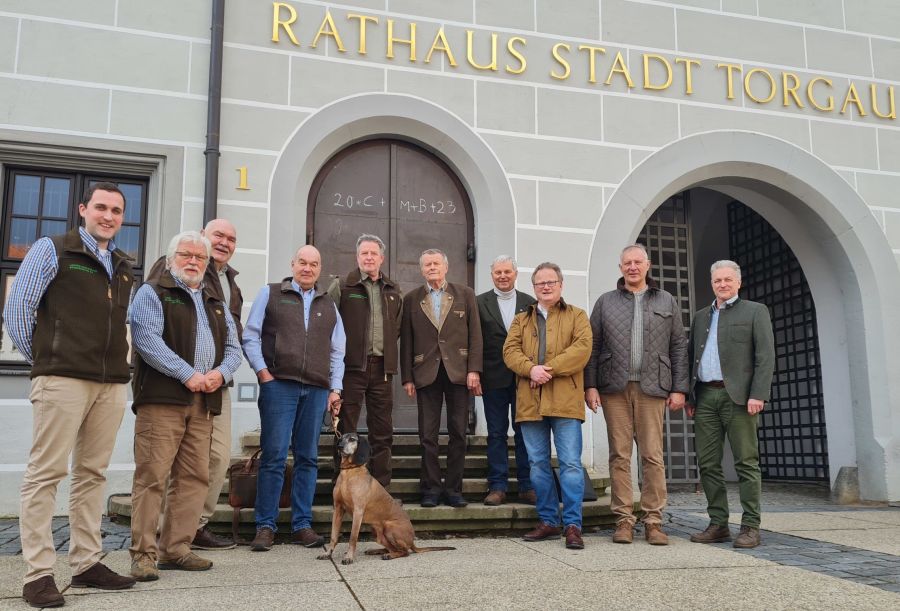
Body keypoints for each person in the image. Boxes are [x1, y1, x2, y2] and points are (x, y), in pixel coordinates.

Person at [5, 183, 137, 607]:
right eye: (101, 207)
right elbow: (18, 310)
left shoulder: (121, 263)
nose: (108, 216)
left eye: (116, 210)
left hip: (110, 383)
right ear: (83, 209)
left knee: (92, 474)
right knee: (46, 474)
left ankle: (86, 563)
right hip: (62, 379)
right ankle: (38, 573)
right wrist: (46, 357)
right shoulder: (53, 249)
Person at [128, 231, 243, 581]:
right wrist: (187, 373)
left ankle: (176, 549)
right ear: (170, 257)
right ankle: (143, 555)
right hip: (163, 399)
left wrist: (220, 375)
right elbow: (146, 339)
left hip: (204, 401)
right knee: (152, 477)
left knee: (194, 477)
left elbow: (234, 350)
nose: (193, 261)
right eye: (186, 254)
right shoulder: (153, 291)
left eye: (200, 257)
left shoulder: (214, 300)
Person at [584, 244, 689, 546]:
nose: (632, 267)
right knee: (619, 455)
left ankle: (653, 521)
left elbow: (679, 346)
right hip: (613, 388)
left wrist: (679, 388)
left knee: (652, 456)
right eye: (627, 263)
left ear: (648, 265)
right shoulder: (606, 302)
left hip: (653, 387)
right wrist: (590, 386)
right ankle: (623, 520)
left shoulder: (666, 300)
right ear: (621, 268)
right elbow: (593, 345)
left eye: (637, 262)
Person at [242, 245, 345, 551]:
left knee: (308, 458)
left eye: (314, 264)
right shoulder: (271, 293)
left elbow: (338, 350)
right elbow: (251, 335)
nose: (308, 268)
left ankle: (302, 524)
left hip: (315, 390)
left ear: (319, 268)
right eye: (303, 262)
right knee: (273, 456)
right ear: (293, 263)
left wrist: (335, 388)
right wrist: (263, 373)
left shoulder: (329, 305)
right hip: (279, 386)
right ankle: (265, 525)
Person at [502, 262, 592, 549]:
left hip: (566, 401)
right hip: (531, 403)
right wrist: (530, 369)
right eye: (540, 282)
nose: (546, 286)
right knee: (538, 465)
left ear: (561, 284)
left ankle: (573, 525)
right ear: (534, 287)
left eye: (551, 281)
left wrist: (547, 370)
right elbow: (510, 351)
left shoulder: (577, 316)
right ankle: (549, 521)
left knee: (570, 464)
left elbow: (581, 350)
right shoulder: (521, 320)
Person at [687, 260, 775, 549]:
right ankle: (718, 524)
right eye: (717, 281)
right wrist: (690, 396)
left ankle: (750, 526)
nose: (722, 285)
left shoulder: (755, 311)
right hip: (706, 396)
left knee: (746, 463)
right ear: (711, 283)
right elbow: (691, 358)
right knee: (708, 463)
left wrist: (758, 394)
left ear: (738, 282)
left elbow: (765, 356)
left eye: (727, 280)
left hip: (738, 397)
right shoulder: (701, 317)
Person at [400, 249, 482, 508]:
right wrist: (407, 377)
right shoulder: (412, 298)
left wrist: (474, 370)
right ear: (422, 269)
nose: (432, 267)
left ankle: (454, 489)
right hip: (426, 372)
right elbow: (406, 341)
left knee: (459, 432)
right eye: (427, 264)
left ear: (445, 267)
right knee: (428, 434)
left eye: (436, 263)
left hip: (459, 371)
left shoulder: (465, 294)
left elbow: (475, 334)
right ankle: (431, 489)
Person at [327, 234, 402, 488]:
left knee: (383, 431)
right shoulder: (343, 286)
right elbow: (328, 324)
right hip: (351, 369)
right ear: (357, 257)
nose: (369, 258)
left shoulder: (393, 290)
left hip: (382, 369)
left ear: (381, 258)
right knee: (346, 429)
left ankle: (380, 486)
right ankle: (344, 483)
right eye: (364, 254)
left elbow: (397, 327)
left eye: (373, 254)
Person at [476, 255, 536, 506]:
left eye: (507, 272)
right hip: (493, 377)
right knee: (497, 433)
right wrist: (475, 373)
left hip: (524, 378)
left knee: (525, 432)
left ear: (515, 273)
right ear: (492, 275)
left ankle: (527, 485)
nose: (502, 276)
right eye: (498, 272)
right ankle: (497, 486)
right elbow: (475, 342)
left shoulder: (529, 302)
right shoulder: (480, 303)